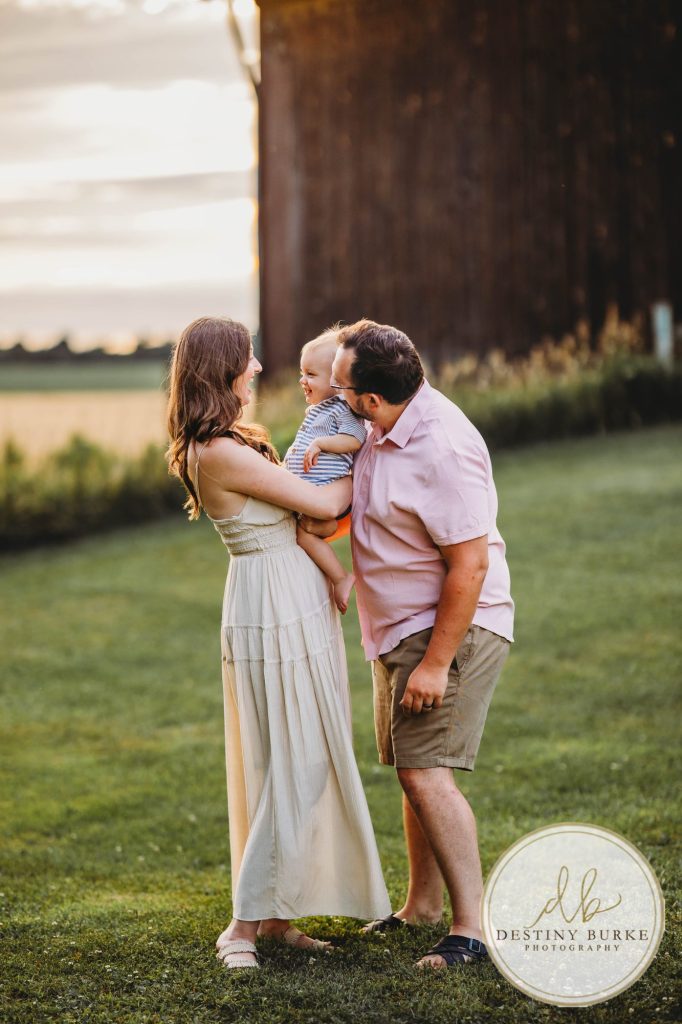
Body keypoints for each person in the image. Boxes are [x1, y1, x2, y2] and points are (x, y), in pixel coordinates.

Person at [166, 316, 390, 971]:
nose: (259, 368)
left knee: (297, 757)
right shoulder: (218, 451)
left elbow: (311, 510)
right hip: (272, 606)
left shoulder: (234, 440)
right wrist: (373, 459)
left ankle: (275, 918)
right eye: (248, 358)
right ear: (221, 370)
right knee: (292, 761)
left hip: (289, 598)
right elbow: (317, 509)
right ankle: (240, 928)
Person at [323, 318, 514, 970]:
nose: (331, 393)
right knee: (413, 770)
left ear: (372, 398)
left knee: (425, 773)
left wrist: (435, 664)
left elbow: (470, 566)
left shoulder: (442, 447)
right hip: (399, 631)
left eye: (339, 384)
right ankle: (422, 906)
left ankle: (472, 929)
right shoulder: (380, 427)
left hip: (447, 630)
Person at [284, 328, 366, 614]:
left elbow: (355, 440)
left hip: (327, 489)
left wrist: (322, 443)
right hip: (312, 490)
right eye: (301, 372)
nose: (302, 380)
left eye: (310, 374)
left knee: (304, 535)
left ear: (336, 380)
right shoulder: (320, 409)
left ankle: (341, 577)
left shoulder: (343, 409)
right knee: (301, 533)